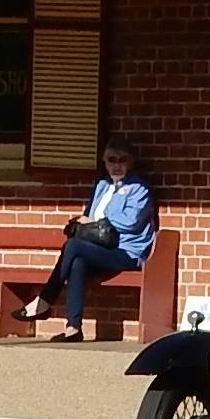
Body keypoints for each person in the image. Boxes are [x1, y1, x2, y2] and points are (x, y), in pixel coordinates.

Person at [21, 139, 158, 341]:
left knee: (73, 246)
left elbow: (129, 222)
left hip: (126, 251)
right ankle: (73, 328)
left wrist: (95, 221)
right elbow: (88, 216)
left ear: (131, 162)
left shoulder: (139, 188)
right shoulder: (101, 186)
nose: (117, 164)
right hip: (99, 247)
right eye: (112, 159)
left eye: (122, 160)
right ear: (104, 162)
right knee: (77, 262)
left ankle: (46, 299)